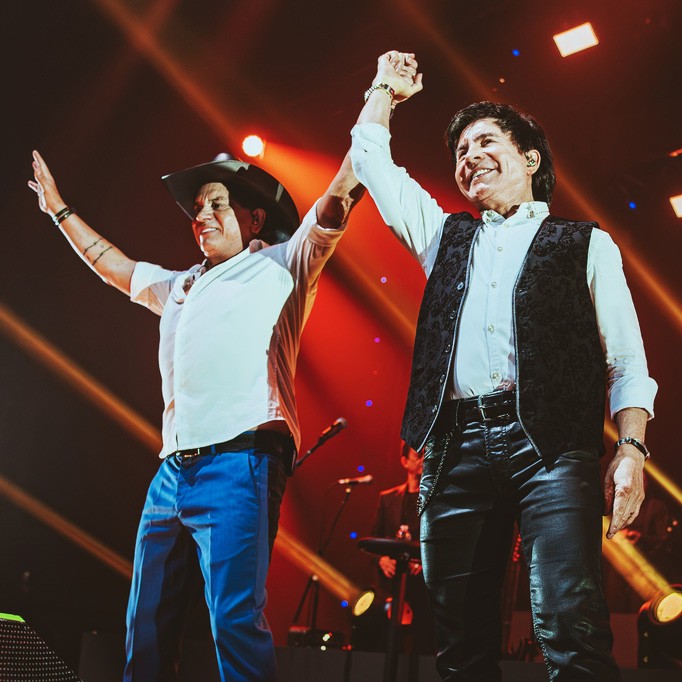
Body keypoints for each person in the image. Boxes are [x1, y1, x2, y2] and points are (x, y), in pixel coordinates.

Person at [350, 51, 657, 681]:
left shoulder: (585, 243)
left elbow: (627, 359)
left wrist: (630, 449)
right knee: (459, 645)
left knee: (570, 626)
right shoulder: (444, 237)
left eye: (486, 141)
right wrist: (384, 88)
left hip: (551, 448)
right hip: (454, 449)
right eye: (461, 150)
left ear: (530, 159)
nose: (470, 156)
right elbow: (371, 160)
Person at [28, 148, 364, 681]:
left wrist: (376, 111)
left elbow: (338, 197)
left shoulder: (282, 265)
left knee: (233, 620)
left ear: (255, 219)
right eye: (197, 208)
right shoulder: (179, 286)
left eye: (217, 205)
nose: (202, 215)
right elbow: (114, 267)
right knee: (146, 622)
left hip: (241, 460)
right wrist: (59, 209)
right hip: (172, 471)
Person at [369, 442, 435, 654]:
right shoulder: (387, 498)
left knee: (421, 643)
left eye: (425, 454)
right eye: (418, 455)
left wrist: (425, 561)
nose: (423, 459)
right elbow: (374, 539)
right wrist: (381, 559)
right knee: (385, 641)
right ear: (405, 462)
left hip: (421, 587)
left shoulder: (435, 499)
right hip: (392, 586)